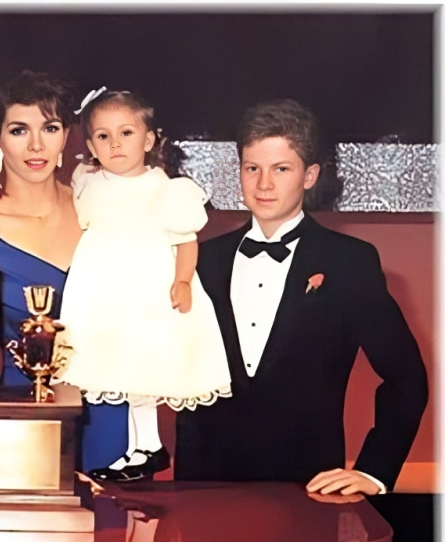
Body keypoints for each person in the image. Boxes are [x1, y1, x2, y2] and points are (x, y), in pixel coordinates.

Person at [175, 99, 428, 495]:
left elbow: (407, 377)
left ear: (309, 176)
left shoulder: (350, 262)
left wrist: (374, 471)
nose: (263, 185)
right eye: (252, 168)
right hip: (202, 492)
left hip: (309, 491)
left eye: (281, 169)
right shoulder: (198, 261)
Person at [0, 72, 130, 476]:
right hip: (21, 417)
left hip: (110, 400)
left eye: (49, 128)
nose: (36, 145)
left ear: (66, 135)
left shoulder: (103, 209)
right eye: (19, 130)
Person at [57, 89, 231, 482]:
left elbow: (186, 240)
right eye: (103, 136)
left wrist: (183, 280)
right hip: (103, 291)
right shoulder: (87, 182)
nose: (115, 143)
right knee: (118, 366)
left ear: (149, 139)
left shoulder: (167, 189)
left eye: (126, 133)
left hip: (146, 291)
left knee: (144, 368)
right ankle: (141, 448)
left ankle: (148, 446)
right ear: (90, 146)